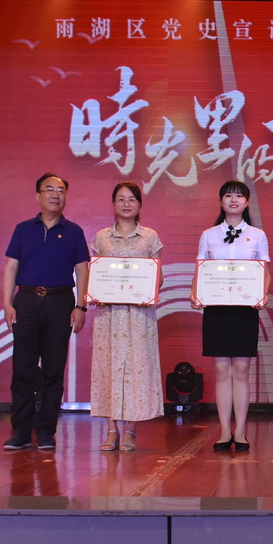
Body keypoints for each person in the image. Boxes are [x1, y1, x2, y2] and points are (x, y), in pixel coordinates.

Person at [1, 173, 90, 451]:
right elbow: (11, 268)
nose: (55, 194)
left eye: (60, 190)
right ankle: (21, 431)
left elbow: (82, 270)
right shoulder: (23, 229)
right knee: (23, 369)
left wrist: (80, 305)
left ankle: (46, 431)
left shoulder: (74, 231)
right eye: (49, 189)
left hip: (60, 302)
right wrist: (7, 303)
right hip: (26, 301)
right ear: (38, 195)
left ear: (66, 196)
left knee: (53, 371)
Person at [192, 181, 270, 452]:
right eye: (228, 195)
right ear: (221, 201)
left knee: (242, 370)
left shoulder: (258, 235)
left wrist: (263, 294)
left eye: (239, 196)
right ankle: (225, 431)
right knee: (222, 370)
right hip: (216, 308)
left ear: (247, 202)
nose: (234, 200)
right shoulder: (208, 235)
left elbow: (264, 272)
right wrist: (194, 293)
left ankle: (241, 430)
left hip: (245, 308)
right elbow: (201, 270)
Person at [89, 182, 165, 452]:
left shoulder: (150, 237)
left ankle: (131, 430)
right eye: (120, 199)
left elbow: (158, 277)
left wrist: (147, 286)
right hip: (109, 314)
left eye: (132, 199)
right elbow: (95, 275)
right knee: (108, 367)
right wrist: (96, 291)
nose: (126, 204)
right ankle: (112, 430)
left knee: (137, 367)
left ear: (140, 204)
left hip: (139, 314)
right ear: (113, 204)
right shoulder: (101, 238)